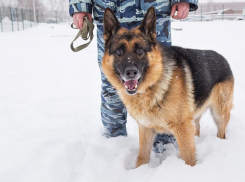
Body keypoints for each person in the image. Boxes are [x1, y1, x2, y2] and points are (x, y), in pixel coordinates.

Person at [69, 0, 198, 154]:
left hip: (154, 9)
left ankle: (164, 141)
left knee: (163, 81)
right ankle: (115, 141)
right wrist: (80, 5)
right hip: (111, 9)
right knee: (113, 84)